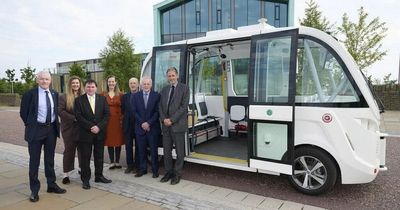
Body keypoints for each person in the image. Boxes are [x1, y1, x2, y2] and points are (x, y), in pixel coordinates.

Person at [20, 71, 66, 202]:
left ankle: (51, 185)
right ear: (37, 80)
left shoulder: (54, 94)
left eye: (47, 79)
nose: (44, 81)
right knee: (34, 161)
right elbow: (23, 113)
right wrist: (31, 125)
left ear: (50, 81)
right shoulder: (30, 94)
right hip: (36, 130)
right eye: (42, 79)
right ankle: (34, 190)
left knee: (49, 159)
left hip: (51, 129)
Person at [74, 79, 112, 190]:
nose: (90, 89)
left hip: (99, 133)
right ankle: (85, 180)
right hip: (86, 133)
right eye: (88, 87)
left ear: (96, 88)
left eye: (92, 87)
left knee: (99, 156)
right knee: (85, 157)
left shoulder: (102, 99)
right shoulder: (79, 100)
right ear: (85, 88)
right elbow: (78, 116)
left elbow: (107, 115)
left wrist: (99, 127)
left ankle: (99, 176)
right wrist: (91, 126)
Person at [159, 67, 189, 185]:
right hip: (166, 126)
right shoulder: (164, 90)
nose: (171, 78)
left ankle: (177, 174)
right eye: (169, 76)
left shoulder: (185, 88)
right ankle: (168, 172)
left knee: (180, 152)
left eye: (173, 75)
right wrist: (164, 119)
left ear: (177, 76)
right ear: (167, 77)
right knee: (167, 151)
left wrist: (171, 119)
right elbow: (160, 107)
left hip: (178, 125)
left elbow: (183, 107)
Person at [132, 77, 161, 178]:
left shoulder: (156, 96)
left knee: (153, 151)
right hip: (140, 128)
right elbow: (134, 112)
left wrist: (148, 123)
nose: (146, 86)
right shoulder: (136, 96)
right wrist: (143, 123)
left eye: (148, 84)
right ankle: (142, 169)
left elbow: (157, 112)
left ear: (151, 85)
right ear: (141, 85)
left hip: (152, 128)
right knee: (141, 150)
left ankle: (155, 170)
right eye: (144, 84)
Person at [58, 76, 84, 184]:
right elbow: (60, 111)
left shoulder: (84, 96)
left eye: (77, 83)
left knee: (83, 150)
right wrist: (73, 118)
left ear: (80, 84)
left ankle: (82, 169)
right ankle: (66, 174)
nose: (75, 85)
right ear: (70, 84)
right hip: (69, 128)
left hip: (82, 128)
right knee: (69, 150)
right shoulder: (63, 97)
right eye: (73, 83)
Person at [102, 75, 125, 169]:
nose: (111, 83)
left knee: (118, 141)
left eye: (113, 81)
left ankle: (117, 161)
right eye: (109, 82)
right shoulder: (103, 94)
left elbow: (124, 108)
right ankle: (112, 162)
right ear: (107, 83)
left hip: (118, 121)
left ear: (115, 83)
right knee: (110, 140)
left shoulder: (121, 94)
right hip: (107, 121)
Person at [122, 77, 139, 173]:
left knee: (138, 146)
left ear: (138, 84)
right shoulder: (125, 97)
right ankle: (129, 165)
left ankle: (137, 165)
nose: (133, 85)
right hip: (127, 126)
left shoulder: (141, 95)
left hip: (138, 125)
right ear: (129, 85)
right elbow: (123, 110)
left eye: (134, 83)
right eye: (131, 83)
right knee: (128, 146)